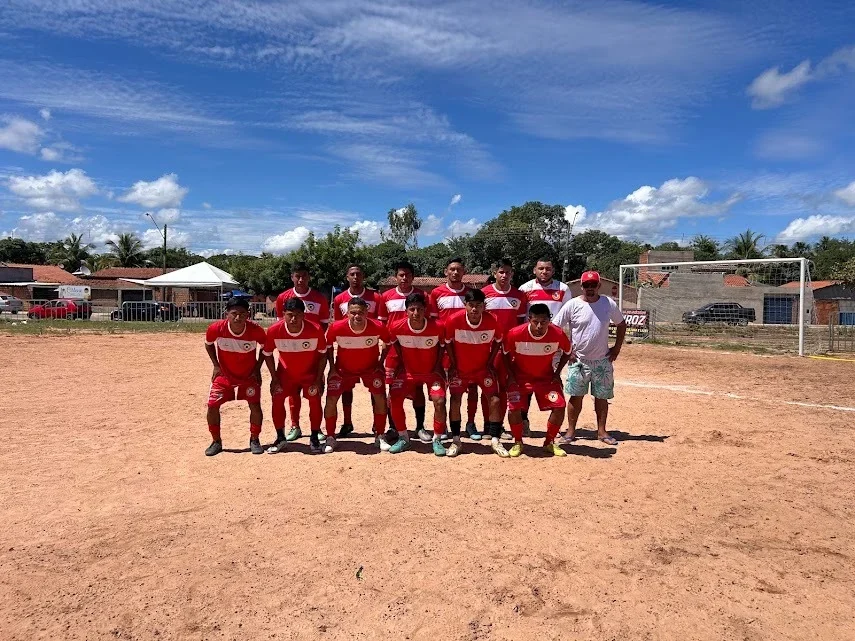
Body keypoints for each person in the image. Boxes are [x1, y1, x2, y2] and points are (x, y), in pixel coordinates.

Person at [551, 270, 626, 446]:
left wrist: (616, 348)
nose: (590, 288)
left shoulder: (608, 303)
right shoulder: (572, 305)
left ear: (599, 285)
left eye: (593, 285)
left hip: (602, 360)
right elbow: (555, 328)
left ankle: (602, 431)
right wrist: (566, 349)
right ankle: (570, 431)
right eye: (586, 285)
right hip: (578, 361)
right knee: (576, 397)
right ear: (581, 286)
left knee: (602, 397)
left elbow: (621, 324)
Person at [502, 303, 572, 457]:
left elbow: (568, 352)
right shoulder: (515, 333)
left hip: (546, 379)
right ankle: (518, 442)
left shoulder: (557, 334)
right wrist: (511, 376)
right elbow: (505, 353)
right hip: (520, 378)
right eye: (535, 322)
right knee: (514, 409)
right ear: (529, 320)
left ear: (549, 320)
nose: (539, 326)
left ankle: (549, 442)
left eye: (544, 322)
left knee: (559, 406)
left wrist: (557, 373)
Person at [323, 297, 390, 453]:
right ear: (347, 313)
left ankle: (380, 435)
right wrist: (332, 368)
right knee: (331, 400)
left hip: (370, 369)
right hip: (343, 370)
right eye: (353, 313)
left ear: (366, 312)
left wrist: (380, 363)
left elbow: (388, 342)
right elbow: (328, 346)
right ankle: (331, 437)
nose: (357, 316)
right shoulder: (336, 327)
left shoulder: (378, 326)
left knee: (380, 398)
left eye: (360, 312)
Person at [445, 289, 506, 457]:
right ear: (465, 305)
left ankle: (495, 440)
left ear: (483, 306)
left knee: (495, 400)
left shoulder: (493, 320)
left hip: (482, 369)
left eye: (478, 305)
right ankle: (456, 440)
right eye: (471, 305)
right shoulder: (453, 320)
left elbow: (498, 341)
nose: (474, 309)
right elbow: (448, 342)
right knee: (455, 400)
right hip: (461, 369)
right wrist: (453, 363)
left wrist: (490, 362)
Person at [274, 262, 330, 443]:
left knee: (315, 391)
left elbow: (324, 325)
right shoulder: (283, 297)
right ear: (292, 277)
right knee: (292, 391)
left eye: (304, 275)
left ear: (309, 277)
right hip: (290, 353)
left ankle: (316, 429)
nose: (300, 279)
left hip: (312, 351)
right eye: (297, 276)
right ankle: (295, 425)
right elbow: (281, 325)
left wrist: (313, 340)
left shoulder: (319, 298)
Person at [203, 297, 267, 456]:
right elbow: (208, 344)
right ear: (227, 314)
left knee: (255, 405)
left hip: (248, 376)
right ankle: (216, 441)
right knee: (212, 405)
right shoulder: (216, 328)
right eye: (234, 314)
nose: (238, 317)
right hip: (224, 376)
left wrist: (257, 368)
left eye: (242, 314)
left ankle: (254, 439)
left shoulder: (256, 330)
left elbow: (265, 348)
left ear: (248, 315)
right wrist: (216, 365)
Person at [263, 297, 328, 454]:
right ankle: (280, 437)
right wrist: (274, 378)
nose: (293, 319)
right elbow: (267, 353)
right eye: (290, 315)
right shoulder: (274, 330)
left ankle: (314, 437)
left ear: (304, 315)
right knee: (277, 400)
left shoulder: (315, 329)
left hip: (310, 374)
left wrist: (319, 378)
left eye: (298, 315)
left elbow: (323, 355)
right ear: (283, 314)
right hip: (285, 375)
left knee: (315, 401)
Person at [387, 292, 449, 456]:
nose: (416, 313)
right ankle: (403, 438)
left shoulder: (438, 327)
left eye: (420, 309)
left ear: (425, 310)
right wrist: (402, 364)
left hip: (432, 373)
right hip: (409, 372)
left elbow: (443, 347)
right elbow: (395, 345)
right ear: (406, 311)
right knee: (394, 398)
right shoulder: (396, 327)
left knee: (439, 401)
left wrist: (437, 366)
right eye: (412, 309)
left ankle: (437, 439)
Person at [518, 258, 572, 434]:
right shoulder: (525, 289)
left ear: (553, 271)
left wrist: (567, 342)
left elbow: (569, 317)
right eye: (541, 268)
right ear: (534, 270)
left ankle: (554, 425)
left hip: (554, 344)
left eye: (548, 269)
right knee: (526, 384)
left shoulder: (563, 289)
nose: (544, 272)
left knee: (554, 380)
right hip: (529, 344)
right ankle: (523, 419)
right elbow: (521, 317)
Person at [428, 257, 480, 441]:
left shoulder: (470, 293)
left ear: (464, 272)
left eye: (459, 269)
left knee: (472, 388)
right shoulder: (436, 293)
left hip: (467, 348)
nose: (455, 272)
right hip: (443, 348)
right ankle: (442, 426)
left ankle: (471, 423)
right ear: (446, 272)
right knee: (444, 389)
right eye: (452, 269)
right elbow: (433, 321)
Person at [333, 264, 385, 439]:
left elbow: (379, 325)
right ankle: (347, 422)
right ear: (347, 277)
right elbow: (338, 326)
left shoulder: (375, 297)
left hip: (369, 351)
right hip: (346, 353)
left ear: (363, 276)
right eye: (352, 274)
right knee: (346, 390)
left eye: (358, 274)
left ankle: (376, 425)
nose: (355, 277)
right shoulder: (339, 299)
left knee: (375, 390)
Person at [378, 261, 429, 441]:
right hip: (393, 350)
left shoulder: (423, 295)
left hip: (416, 349)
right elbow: (383, 324)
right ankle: (394, 427)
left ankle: (420, 427)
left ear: (413, 277)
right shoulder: (386, 297)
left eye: (408, 275)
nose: (404, 278)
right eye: (401, 275)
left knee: (418, 387)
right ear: (396, 277)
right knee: (392, 388)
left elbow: (428, 321)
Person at [481, 258, 527, 439]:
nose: (504, 275)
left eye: (507, 272)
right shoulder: (484, 293)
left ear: (512, 274)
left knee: (504, 388)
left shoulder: (519, 295)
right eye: (501, 272)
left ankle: (498, 426)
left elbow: (521, 323)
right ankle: (487, 425)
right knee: (488, 386)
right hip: (488, 348)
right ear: (494, 274)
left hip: (509, 349)